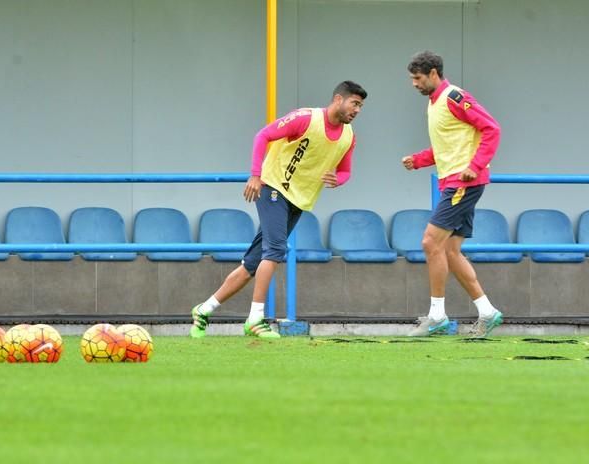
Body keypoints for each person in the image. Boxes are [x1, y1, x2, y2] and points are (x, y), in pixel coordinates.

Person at [190, 80, 367, 339]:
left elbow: (346, 171)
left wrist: (337, 180)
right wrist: (255, 175)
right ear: (338, 99)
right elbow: (263, 135)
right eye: (355, 103)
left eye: (361, 106)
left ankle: (204, 310)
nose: (358, 110)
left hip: (299, 201)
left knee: (252, 263)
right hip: (272, 187)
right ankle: (255, 319)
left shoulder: (348, 137)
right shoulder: (305, 119)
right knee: (275, 250)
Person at [402, 51, 503, 338]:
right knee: (449, 250)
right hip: (455, 182)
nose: (414, 84)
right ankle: (488, 312)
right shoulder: (434, 104)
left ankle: (437, 316)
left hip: (463, 182)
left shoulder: (454, 97)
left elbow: (491, 129)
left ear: (433, 73)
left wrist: (475, 165)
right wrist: (419, 160)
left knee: (430, 242)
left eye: (417, 78)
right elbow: (448, 145)